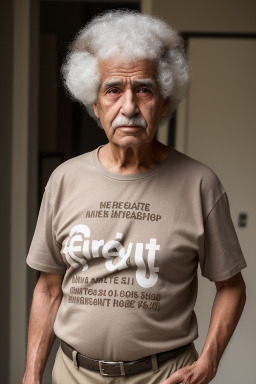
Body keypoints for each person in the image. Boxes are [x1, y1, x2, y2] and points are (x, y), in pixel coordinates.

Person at [23, 10, 247, 384]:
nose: (128, 107)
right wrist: (32, 374)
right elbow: (48, 288)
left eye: (143, 89)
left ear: (164, 102)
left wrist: (209, 361)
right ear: (94, 105)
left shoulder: (200, 184)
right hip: (73, 375)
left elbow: (232, 287)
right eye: (113, 90)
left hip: (165, 376)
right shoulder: (64, 180)